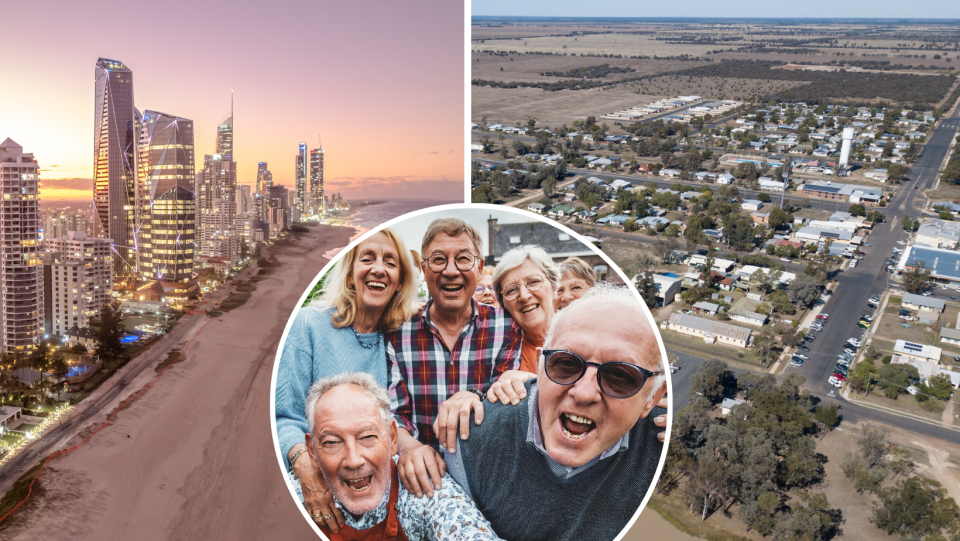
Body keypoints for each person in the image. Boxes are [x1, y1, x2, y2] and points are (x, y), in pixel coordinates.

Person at [444, 285, 668, 541]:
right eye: (566, 363)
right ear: (539, 366)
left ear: (653, 398)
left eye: (619, 376)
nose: (584, 393)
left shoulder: (662, 448)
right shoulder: (474, 439)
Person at [276, 229, 420, 533]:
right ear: (350, 273)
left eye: (390, 262)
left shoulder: (398, 336)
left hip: (380, 496)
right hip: (324, 483)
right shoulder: (309, 324)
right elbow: (284, 416)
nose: (378, 268)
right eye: (367, 258)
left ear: (401, 281)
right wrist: (305, 468)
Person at [387, 218, 522, 498]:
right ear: (424, 270)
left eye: (463, 259)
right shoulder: (397, 333)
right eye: (438, 260)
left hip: (487, 483)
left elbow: (509, 412)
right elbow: (394, 415)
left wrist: (474, 395)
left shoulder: (506, 327)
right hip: (420, 484)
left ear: (480, 267)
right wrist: (411, 447)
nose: (451, 271)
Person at [304, 372, 504, 541]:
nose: (354, 460)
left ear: (392, 438)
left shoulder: (423, 485)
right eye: (332, 442)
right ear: (312, 450)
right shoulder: (296, 496)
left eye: (367, 437)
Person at [490, 245, 559, 374]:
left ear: (554, 289)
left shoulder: (583, 336)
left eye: (533, 282)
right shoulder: (504, 355)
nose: (524, 296)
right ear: (504, 305)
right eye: (511, 290)